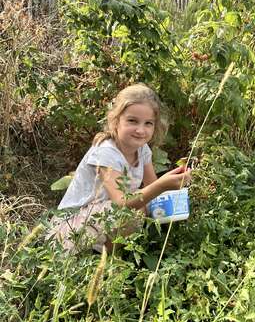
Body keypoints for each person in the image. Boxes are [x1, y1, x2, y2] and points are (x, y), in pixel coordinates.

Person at [47, 83, 191, 254]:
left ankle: (105, 260)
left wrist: (172, 179)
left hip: (99, 222)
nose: (140, 130)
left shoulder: (142, 149)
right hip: (67, 232)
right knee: (128, 213)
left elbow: (152, 188)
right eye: (132, 121)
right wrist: (162, 185)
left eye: (148, 123)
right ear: (116, 120)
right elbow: (120, 203)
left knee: (141, 209)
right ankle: (90, 261)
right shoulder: (106, 152)